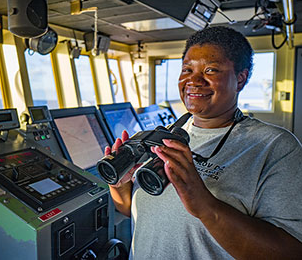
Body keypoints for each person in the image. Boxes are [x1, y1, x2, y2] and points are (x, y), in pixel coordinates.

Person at [105, 26, 302, 259]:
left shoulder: (275, 147)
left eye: (211, 70)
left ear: (241, 78)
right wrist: (120, 185)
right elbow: (134, 211)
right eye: (187, 69)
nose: (194, 80)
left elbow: (289, 252)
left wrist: (205, 206)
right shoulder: (160, 136)